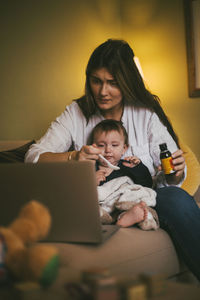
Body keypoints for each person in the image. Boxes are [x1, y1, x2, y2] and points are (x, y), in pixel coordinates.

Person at [25, 39, 200, 281]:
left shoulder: (145, 114)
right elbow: (33, 156)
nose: (102, 91)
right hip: (98, 200)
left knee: (177, 198)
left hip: (146, 195)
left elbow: (170, 178)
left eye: (112, 83)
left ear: (127, 81)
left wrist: (176, 172)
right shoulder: (76, 113)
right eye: (96, 81)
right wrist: (73, 156)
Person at [90, 118, 159, 230]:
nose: (108, 150)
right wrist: (91, 181)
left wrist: (138, 168)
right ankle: (108, 217)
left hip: (123, 204)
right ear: (94, 148)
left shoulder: (127, 166)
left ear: (124, 149)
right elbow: (81, 192)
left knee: (138, 202)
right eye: (101, 145)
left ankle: (129, 216)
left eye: (115, 145)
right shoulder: (91, 167)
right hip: (103, 207)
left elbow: (146, 184)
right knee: (90, 207)